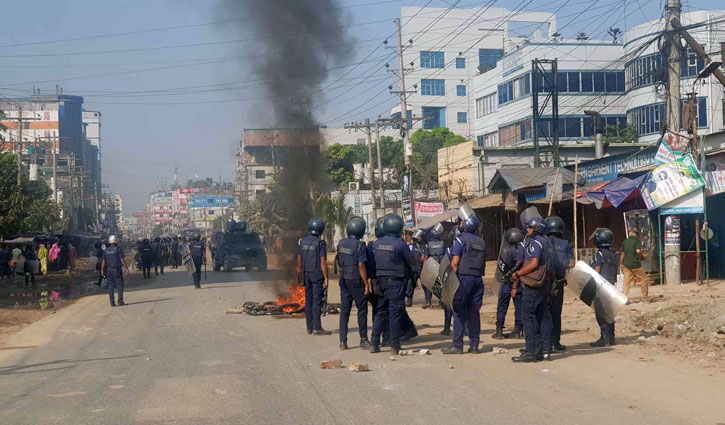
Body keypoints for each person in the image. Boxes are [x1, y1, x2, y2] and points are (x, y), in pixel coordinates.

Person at [442, 205, 486, 355]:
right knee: (474, 313)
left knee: (459, 312)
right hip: (478, 280)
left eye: (461, 222)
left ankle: (458, 345)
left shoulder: (460, 240)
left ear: (465, 225)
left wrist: (449, 282)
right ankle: (474, 346)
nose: (460, 224)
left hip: (464, 280)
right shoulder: (481, 242)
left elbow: (455, 263)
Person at [370, 213, 415, 354]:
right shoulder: (400, 244)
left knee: (381, 312)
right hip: (395, 282)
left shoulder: (377, 243)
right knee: (394, 313)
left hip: (380, 282)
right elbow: (411, 260)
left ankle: (374, 343)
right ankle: (395, 345)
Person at [511, 217, 553, 363]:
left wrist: (518, 274)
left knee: (527, 316)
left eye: (529, 227)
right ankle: (544, 350)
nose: (527, 230)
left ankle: (530, 351)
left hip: (533, 285)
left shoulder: (535, 243)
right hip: (545, 283)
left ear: (536, 229)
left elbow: (534, 263)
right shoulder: (547, 242)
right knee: (543, 317)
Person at [336, 216, 371, 350]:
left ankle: (343, 341)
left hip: (343, 278)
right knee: (362, 309)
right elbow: (361, 265)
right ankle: (363, 339)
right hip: (355, 279)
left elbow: (339, 261)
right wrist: (366, 284)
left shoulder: (341, 243)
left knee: (345, 310)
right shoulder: (360, 245)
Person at [545, 215, 574, 352]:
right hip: (560, 282)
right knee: (557, 313)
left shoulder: (545, 242)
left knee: (546, 312)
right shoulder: (566, 244)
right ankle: (555, 343)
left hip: (546, 281)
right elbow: (571, 263)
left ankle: (546, 343)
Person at [297, 218, 330, 335]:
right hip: (317, 274)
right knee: (317, 301)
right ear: (321, 230)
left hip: (306, 274)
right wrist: (326, 278)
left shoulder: (302, 242)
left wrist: (300, 271)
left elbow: (299, 259)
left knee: (308, 300)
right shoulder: (320, 243)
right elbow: (322, 261)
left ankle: (309, 327)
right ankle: (317, 327)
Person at [493, 227, 525, 340]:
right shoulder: (521, 251)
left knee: (502, 307)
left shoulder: (505, 251)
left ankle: (499, 331)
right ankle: (517, 330)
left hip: (507, 284)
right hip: (518, 284)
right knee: (519, 308)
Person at [591, 228, 618, 347]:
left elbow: (597, 270)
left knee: (601, 313)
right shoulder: (613, 255)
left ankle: (604, 338)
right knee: (609, 312)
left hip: (601, 286)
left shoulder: (599, 253)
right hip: (611, 285)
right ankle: (611, 337)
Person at [620, 227, 649, 298]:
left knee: (626, 282)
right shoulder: (636, 241)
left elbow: (622, 254)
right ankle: (644, 295)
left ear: (630, 233)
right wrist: (642, 257)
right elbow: (638, 251)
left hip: (626, 265)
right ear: (636, 233)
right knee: (644, 279)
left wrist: (621, 263)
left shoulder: (625, 241)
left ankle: (624, 297)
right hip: (635, 264)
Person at [101, 235, 129, 307]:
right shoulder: (118, 249)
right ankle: (120, 301)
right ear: (116, 241)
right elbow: (122, 260)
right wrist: (126, 268)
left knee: (110, 286)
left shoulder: (106, 250)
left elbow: (103, 261)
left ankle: (112, 302)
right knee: (119, 285)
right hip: (116, 270)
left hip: (108, 270)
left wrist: (102, 270)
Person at [423, 223, 445, 310]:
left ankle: (428, 301)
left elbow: (425, 257)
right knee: (441, 284)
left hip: (432, 266)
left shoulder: (428, 244)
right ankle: (441, 303)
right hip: (441, 265)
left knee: (429, 284)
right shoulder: (443, 243)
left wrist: (424, 269)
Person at [406, 229, 426, 307]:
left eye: (420, 237)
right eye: (418, 237)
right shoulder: (411, 246)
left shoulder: (425, 246)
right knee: (410, 285)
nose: (418, 238)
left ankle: (428, 300)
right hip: (413, 268)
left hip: (423, 268)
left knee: (425, 285)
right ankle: (409, 300)